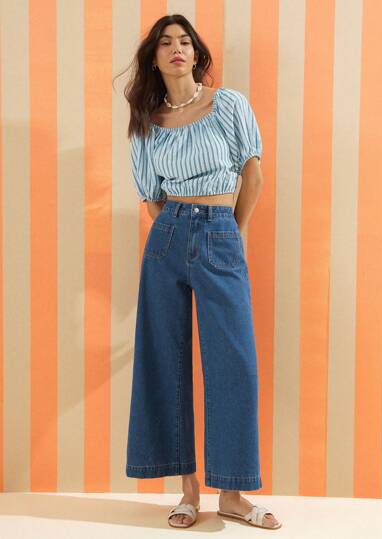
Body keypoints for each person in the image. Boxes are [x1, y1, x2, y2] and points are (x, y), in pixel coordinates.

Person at [121, 13, 281, 531]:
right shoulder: (146, 122)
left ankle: (231, 493)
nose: (177, 48)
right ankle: (188, 490)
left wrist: (231, 232)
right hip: (167, 235)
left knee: (234, 362)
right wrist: (175, 230)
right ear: (154, 58)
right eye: (166, 42)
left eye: (185, 41)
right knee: (163, 362)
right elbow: (151, 196)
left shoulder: (228, 103)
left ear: (196, 53)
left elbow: (253, 173)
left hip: (220, 233)